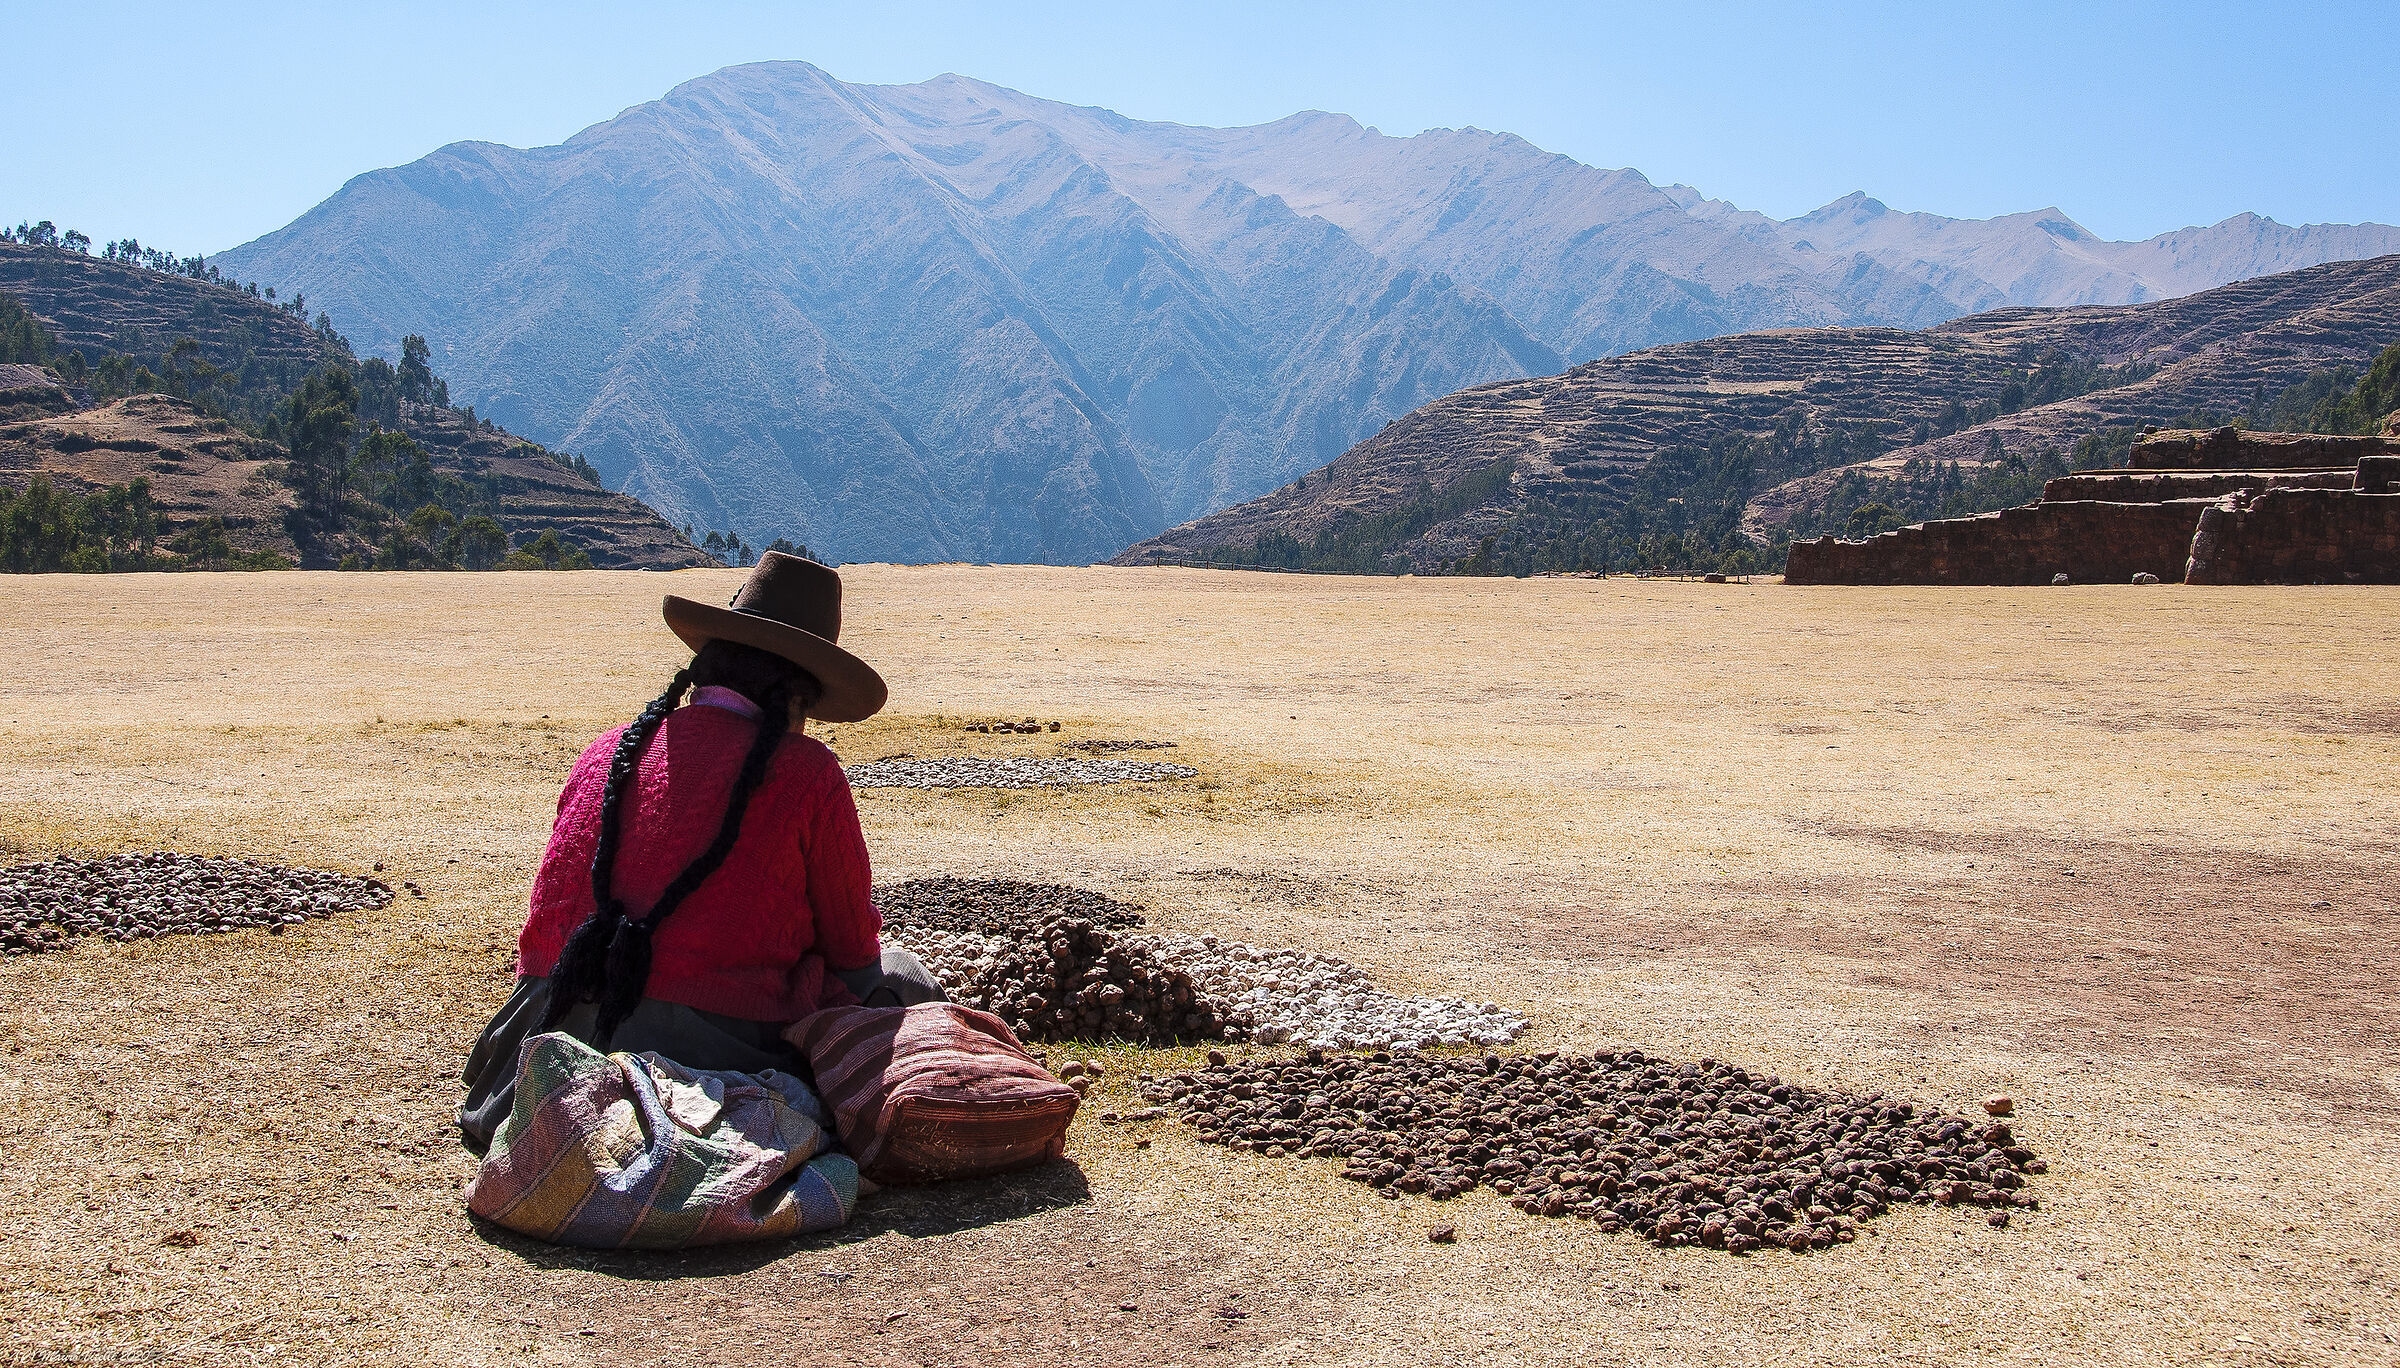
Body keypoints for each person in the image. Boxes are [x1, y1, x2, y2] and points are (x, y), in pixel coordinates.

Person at [459, 552, 943, 1152]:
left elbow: (544, 936)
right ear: (794, 697)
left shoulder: (605, 754)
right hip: (716, 1044)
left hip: (550, 1031)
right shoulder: (806, 773)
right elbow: (853, 953)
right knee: (902, 976)